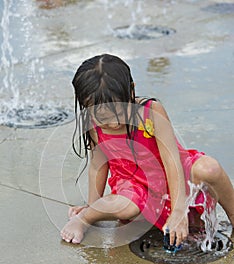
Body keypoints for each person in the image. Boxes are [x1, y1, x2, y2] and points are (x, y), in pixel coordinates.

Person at [61, 54, 234, 246]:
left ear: (131, 91)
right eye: (104, 118)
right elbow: (97, 165)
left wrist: (178, 210)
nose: (114, 123)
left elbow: (171, 160)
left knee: (209, 168)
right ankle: (83, 219)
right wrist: (94, 206)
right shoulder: (94, 125)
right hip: (133, 184)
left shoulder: (150, 112)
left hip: (172, 175)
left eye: (119, 112)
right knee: (124, 206)